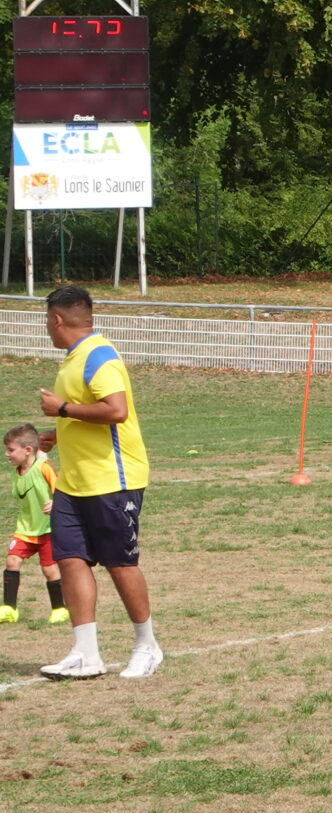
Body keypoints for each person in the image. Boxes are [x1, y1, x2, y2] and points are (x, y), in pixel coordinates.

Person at [34, 285, 161, 681]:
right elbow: (87, 411)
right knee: (69, 559)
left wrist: (63, 408)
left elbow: (116, 410)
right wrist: (59, 430)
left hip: (112, 479)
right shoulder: (73, 359)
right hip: (73, 483)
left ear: (57, 320)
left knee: (120, 563)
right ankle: (85, 654)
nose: (47, 330)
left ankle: (147, 645)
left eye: (47, 322)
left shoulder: (99, 355)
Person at [2, 424, 66, 625]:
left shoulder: (43, 468)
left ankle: (59, 609)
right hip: (24, 530)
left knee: (49, 570)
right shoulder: (16, 472)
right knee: (12, 562)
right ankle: (9, 608)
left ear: (28, 450)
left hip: (47, 529)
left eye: (11, 450)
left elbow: (61, 490)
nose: (7, 454)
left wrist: (56, 502)